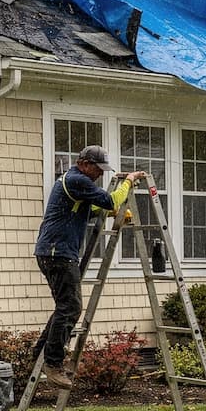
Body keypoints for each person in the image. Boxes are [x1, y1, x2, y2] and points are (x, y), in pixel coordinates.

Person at [33, 145, 145, 387]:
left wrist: (115, 213)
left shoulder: (75, 183)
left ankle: (39, 355)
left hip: (53, 252)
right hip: (58, 253)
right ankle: (52, 364)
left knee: (65, 307)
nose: (100, 174)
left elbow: (90, 210)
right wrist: (129, 181)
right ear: (83, 163)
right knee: (71, 308)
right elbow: (109, 199)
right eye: (97, 169)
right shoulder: (77, 179)